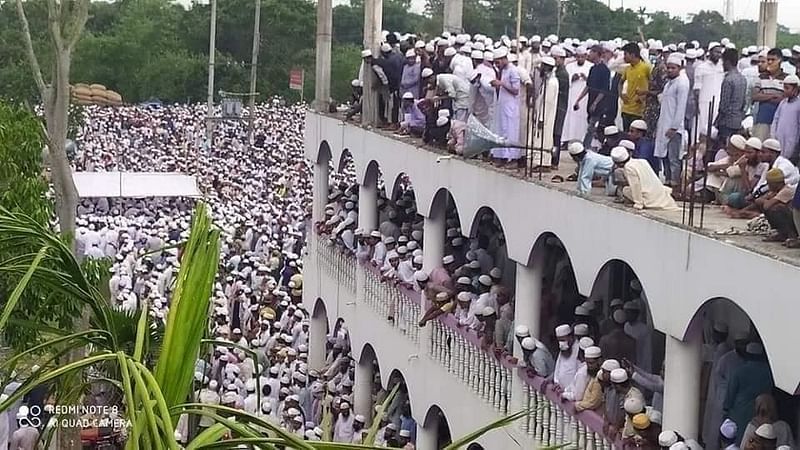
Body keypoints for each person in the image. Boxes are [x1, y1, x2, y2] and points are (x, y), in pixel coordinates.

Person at [723, 343, 774, 443]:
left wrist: (726, 408)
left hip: (739, 412)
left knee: (738, 439)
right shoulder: (768, 372)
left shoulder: (739, 371)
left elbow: (730, 394)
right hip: (761, 412)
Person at [654, 53, 689, 188]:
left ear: (679, 68)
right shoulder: (669, 83)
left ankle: (675, 185)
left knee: (673, 158)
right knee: (665, 156)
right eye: (668, 68)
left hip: (674, 128)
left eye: (673, 68)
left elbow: (681, 107)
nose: (669, 70)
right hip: (664, 124)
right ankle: (668, 181)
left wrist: (674, 127)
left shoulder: (682, 83)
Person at [610, 146, 679, 210]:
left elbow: (635, 186)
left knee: (625, 190)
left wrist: (638, 204)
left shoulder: (629, 168)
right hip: (660, 195)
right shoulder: (642, 161)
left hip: (649, 200)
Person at [491, 47, 523, 167]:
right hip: (503, 106)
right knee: (502, 131)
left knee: (511, 133)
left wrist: (502, 84)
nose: (496, 65)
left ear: (504, 59)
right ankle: (503, 157)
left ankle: (513, 159)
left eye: (498, 62)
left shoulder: (513, 71)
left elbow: (516, 90)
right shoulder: (503, 71)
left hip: (511, 107)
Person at [577, 45, 612, 148]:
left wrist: (595, 103)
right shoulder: (593, 68)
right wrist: (578, 100)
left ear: (597, 54)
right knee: (591, 127)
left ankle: (585, 149)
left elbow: (604, 90)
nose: (590, 54)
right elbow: (588, 86)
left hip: (599, 105)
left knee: (591, 128)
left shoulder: (605, 70)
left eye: (592, 52)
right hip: (590, 102)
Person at [751, 48, 787, 140]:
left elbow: (784, 99)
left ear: (780, 60)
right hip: (762, 120)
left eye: (773, 60)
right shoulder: (761, 77)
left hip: (779, 121)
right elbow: (755, 96)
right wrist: (772, 96)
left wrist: (764, 96)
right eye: (768, 59)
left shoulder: (786, 78)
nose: (770, 62)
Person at [716, 49, 748, 147]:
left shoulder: (728, 80)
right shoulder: (742, 79)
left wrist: (717, 120)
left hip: (726, 122)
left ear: (727, 62)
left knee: (723, 148)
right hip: (737, 120)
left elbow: (724, 105)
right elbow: (744, 102)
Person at [531, 56, 559, 169]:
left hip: (546, 117)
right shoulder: (547, 80)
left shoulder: (551, 83)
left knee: (544, 138)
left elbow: (547, 103)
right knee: (540, 138)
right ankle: (540, 162)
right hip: (542, 115)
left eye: (542, 67)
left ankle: (544, 163)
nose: (540, 69)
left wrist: (541, 118)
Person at [695, 43, 725, 136]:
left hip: (718, 103)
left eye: (720, 53)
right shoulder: (701, 67)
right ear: (710, 52)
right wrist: (696, 105)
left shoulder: (722, 67)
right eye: (716, 52)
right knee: (702, 130)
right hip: (704, 103)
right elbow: (696, 89)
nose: (718, 55)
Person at [620, 43, 651, 131]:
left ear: (633, 55)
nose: (624, 57)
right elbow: (620, 83)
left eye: (625, 54)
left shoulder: (646, 68)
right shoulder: (627, 69)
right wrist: (621, 95)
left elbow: (652, 84)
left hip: (639, 110)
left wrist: (644, 96)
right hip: (626, 109)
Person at [770, 74, 800, 162]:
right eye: (784, 88)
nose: (785, 91)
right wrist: (773, 134)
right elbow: (776, 119)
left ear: (795, 89)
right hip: (778, 139)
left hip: (792, 141)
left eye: (787, 88)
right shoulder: (783, 103)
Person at [551, 46, 571, 169]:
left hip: (559, 107)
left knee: (556, 134)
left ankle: (555, 160)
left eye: (556, 58)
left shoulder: (562, 74)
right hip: (556, 106)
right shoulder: (557, 72)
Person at [552, 324, 580, 393]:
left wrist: (566, 389)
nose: (561, 343)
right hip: (559, 390)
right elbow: (558, 366)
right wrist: (556, 382)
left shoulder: (578, 350)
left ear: (570, 337)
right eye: (559, 340)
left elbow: (579, 375)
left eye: (563, 340)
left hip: (571, 392)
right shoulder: (563, 349)